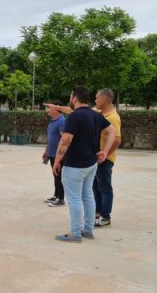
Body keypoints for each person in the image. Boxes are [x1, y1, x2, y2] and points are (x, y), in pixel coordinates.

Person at [47, 86, 115, 243]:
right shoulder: (95, 115)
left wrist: (57, 161)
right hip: (91, 164)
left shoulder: (75, 117)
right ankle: (88, 230)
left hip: (75, 166)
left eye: (71, 97)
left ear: (75, 98)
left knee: (75, 199)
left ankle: (76, 233)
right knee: (88, 196)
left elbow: (65, 140)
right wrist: (105, 151)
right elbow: (112, 132)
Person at [92, 89, 121, 228]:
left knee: (104, 187)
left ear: (104, 99)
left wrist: (105, 154)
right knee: (95, 186)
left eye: (97, 98)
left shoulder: (112, 117)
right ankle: (97, 213)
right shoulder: (99, 113)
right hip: (96, 158)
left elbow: (116, 140)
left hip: (105, 159)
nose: (95, 100)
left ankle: (105, 217)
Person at [43, 101, 65, 207]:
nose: (47, 110)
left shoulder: (62, 121)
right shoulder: (52, 121)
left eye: (49, 108)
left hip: (59, 155)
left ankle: (60, 198)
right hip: (51, 154)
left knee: (59, 176)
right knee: (55, 176)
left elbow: (64, 139)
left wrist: (60, 156)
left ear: (56, 109)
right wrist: (46, 151)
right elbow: (50, 138)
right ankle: (56, 195)